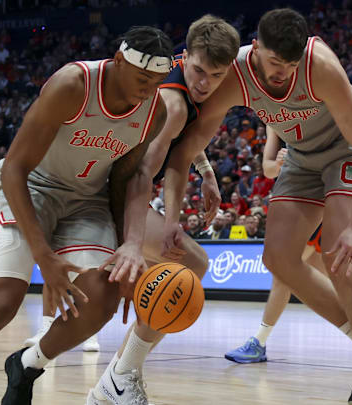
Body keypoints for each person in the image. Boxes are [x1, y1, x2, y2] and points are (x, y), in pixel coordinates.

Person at [164, 9, 352, 404]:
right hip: (302, 156)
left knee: (338, 256)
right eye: (275, 63)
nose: (281, 74)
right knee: (279, 259)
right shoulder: (237, 71)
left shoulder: (321, 68)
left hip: (348, 152)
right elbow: (188, 145)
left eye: (290, 66)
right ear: (256, 48)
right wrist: (205, 175)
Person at [0, 26, 173, 405]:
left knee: (104, 296)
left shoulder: (156, 110)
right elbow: (14, 169)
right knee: (3, 302)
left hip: (88, 200)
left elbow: (129, 177)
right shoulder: (73, 84)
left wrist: (129, 246)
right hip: (33, 187)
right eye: (141, 79)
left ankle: (27, 364)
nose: (147, 88)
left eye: (156, 81)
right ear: (118, 61)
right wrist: (44, 257)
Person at [86, 16, 241, 405]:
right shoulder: (173, 102)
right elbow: (141, 175)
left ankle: (115, 377)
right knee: (192, 265)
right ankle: (119, 375)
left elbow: (180, 153)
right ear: (185, 56)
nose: (205, 83)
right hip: (104, 189)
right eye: (199, 71)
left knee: (178, 268)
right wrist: (136, 240)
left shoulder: (172, 73)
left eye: (216, 76)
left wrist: (201, 179)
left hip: (102, 179)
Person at [225, 126, 352, 366]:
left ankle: (259, 341)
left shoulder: (315, 109)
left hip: (318, 195)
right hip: (295, 193)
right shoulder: (273, 120)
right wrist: (278, 164)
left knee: (284, 275)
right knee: (323, 274)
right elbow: (268, 169)